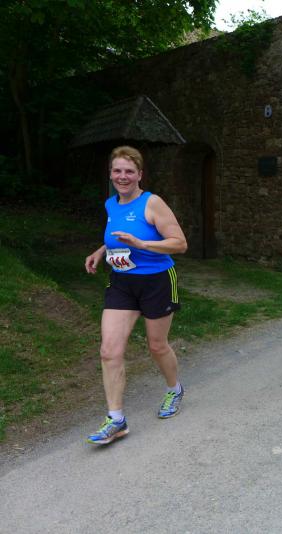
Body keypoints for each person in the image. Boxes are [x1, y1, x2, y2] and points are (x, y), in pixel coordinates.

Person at [83, 146, 188, 445]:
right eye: (117, 170)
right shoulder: (111, 204)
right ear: (110, 174)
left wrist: (142, 244)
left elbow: (180, 243)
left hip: (157, 281)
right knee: (109, 350)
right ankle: (116, 419)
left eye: (129, 171)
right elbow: (117, 235)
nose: (123, 176)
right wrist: (101, 251)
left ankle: (174, 389)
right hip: (122, 283)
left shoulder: (152, 203)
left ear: (139, 174)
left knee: (157, 346)